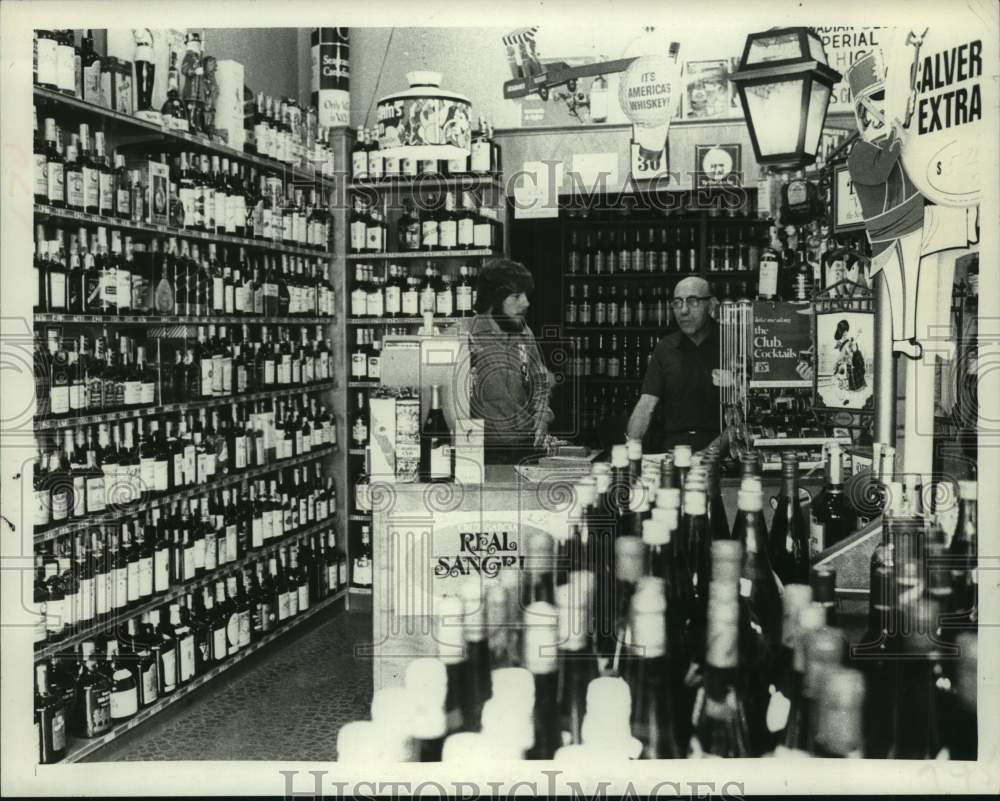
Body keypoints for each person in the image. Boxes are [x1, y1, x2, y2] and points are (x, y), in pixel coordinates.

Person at [467, 258, 552, 463]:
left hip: (524, 448)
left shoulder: (524, 332)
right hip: (482, 452)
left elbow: (539, 381)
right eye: (516, 296)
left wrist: (542, 416)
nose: (526, 302)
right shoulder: (466, 336)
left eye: (525, 295)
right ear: (494, 300)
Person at [626, 276, 721, 453]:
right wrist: (630, 448)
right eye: (677, 303)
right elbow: (646, 405)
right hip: (675, 452)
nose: (683, 311)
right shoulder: (665, 348)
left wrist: (711, 453)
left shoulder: (730, 345)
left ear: (712, 305)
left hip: (723, 454)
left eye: (693, 301)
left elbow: (746, 417)